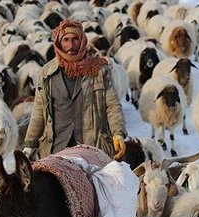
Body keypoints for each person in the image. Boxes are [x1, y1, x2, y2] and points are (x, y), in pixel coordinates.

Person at [21, 19, 127, 160]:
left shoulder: (99, 71)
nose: (71, 45)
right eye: (66, 40)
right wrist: (30, 143)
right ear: (59, 42)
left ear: (82, 41)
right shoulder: (46, 74)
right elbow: (39, 112)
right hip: (56, 150)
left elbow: (112, 106)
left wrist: (118, 133)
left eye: (75, 39)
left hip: (91, 148)